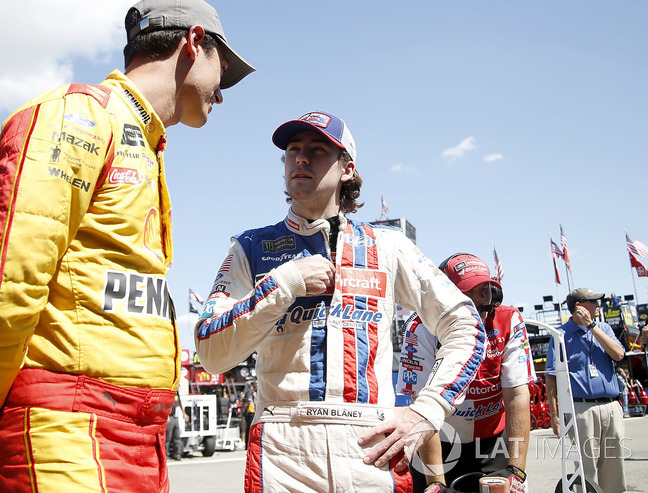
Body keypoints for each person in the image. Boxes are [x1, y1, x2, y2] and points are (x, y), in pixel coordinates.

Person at [0, 0, 254, 493]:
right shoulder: (80, 117)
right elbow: (2, 290)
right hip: (69, 432)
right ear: (194, 43)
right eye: (224, 70)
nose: (223, 92)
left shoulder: (143, 142)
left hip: (136, 438)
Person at [194, 111, 486, 493]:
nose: (301, 158)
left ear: (347, 169)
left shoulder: (389, 246)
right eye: (293, 150)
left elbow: (466, 325)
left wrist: (427, 410)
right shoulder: (250, 247)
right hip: (284, 449)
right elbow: (211, 352)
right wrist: (285, 282)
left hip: (370, 446)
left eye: (317, 150)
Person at [397, 256, 535, 493]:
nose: (481, 300)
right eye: (469, 292)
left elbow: (517, 394)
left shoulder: (509, 319)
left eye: (486, 290)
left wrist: (517, 470)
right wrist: (436, 482)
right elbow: (420, 407)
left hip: (492, 442)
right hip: (438, 441)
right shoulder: (420, 328)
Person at [545, 288, 626, 493]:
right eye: (593, 301)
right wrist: (554, 415)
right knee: (585, 468)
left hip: (610, 406)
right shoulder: (560, 335)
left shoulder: (603, 328)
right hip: (581, 409)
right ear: (579, 306)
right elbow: (551, 378)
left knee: (614, 467)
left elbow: (618, 354)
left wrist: (592, 326)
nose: (598, 305)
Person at [165, 392, 187, 461]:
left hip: (175, 417)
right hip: (170, 417)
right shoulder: (168, 393)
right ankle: (165, 455)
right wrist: (166, 415)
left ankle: (177, 455)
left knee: (177, 436)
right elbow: (164, 404)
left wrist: (184, 413)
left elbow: (179, 403)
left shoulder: (176, 393)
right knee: (167, 438)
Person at [241, 381, 256, 446]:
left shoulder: (249, 392)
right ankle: (248, 443)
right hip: (250, 412)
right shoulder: (250, 392)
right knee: (249, 428)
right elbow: (248, 401)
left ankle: (247, 443)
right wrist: (244, 409)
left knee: (247, 428)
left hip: (250, 412)